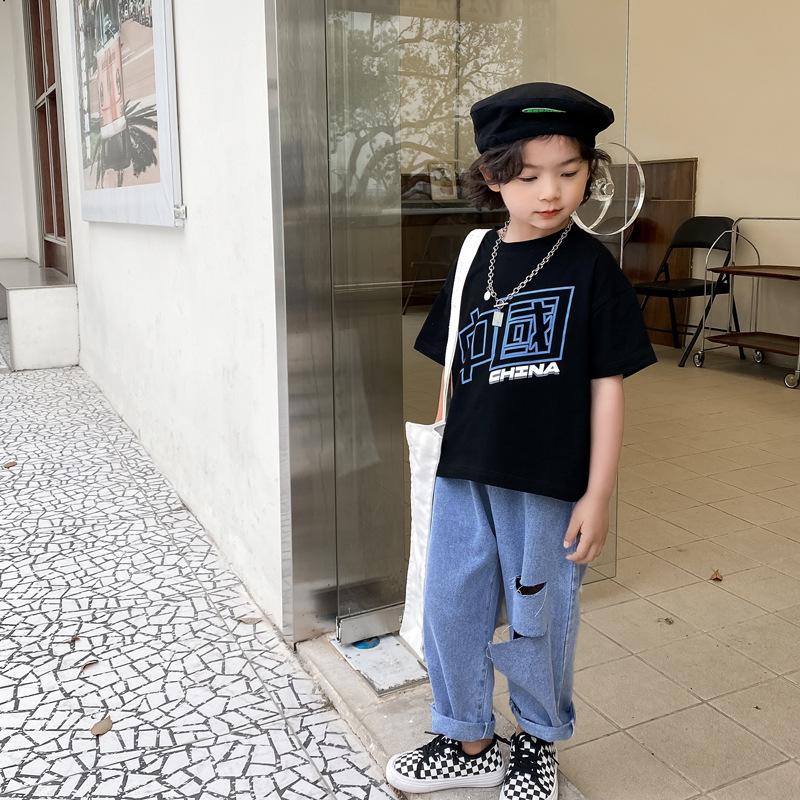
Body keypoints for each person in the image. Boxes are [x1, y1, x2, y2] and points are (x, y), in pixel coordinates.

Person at [385, 82, 658, 799]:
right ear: (493, 177)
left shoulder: (591, 268)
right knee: (451, 605)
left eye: (569, 172)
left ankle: (537, 740)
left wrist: (597, 494)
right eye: (528, 175)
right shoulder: (474, 256)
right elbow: (452, 365)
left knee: (539, 619)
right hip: (463, 472)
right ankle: (468, 736)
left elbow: (607, 386)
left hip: (546, 482)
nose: (551, 192)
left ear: (589, 173)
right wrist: (442, 446)